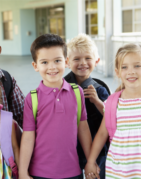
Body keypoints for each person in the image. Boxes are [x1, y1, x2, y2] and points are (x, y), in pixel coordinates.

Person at [19, 34, 92, 179]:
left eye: (57, 61)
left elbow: (83, 129)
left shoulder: (77, 93)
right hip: (39, 173)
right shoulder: (32, 98)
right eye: (44, 62)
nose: (51, 67)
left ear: (66, 62)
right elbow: (27, 137)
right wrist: (22, 172)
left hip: (73, 172)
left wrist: (91, 161)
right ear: (35, 66)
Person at [85, 43, 141, 179]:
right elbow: (101, 135)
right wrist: (90, 161)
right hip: (120, 171)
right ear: (117, 72)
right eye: (124, 67)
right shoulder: (113, 103)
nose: (131, 71)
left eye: (137, 65)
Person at [64, 34, 110, 179]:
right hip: (71, 147)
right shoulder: (62, 87)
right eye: (76, 59)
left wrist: (97, 101)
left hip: (98, 146)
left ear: (96, 61)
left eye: (88, 58)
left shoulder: (100, 88)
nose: (83, 63)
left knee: (97, 175)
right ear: (67, 62)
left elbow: (110, 116)